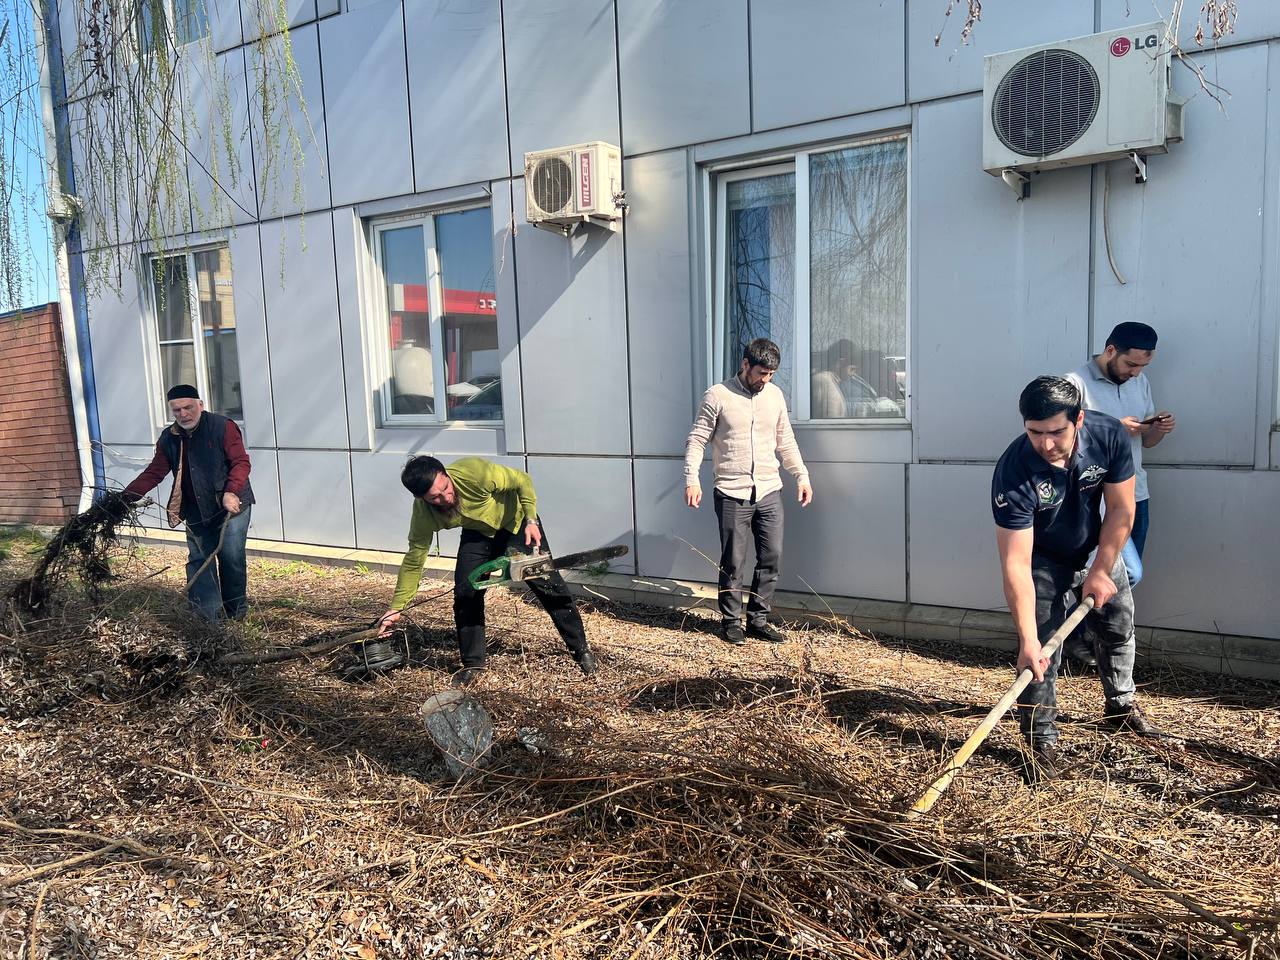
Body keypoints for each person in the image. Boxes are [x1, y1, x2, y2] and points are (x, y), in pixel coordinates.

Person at [991, 376, 1156, 782]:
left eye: (1056, 432)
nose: (1046, 444)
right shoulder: (1014, 473)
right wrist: (1027, 639)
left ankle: (1120, 705)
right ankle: (1041, 739)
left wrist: (1101, 568)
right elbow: (1015, 563)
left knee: (1118, 627)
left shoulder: (1108, 436)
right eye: (1035, 433)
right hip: (1044, 561)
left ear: (1078, 419)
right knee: (1042, 654)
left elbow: (1120, 510)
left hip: (1097, 547)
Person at [375, 456, 597, 685]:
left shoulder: (475, 472)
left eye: (446, 488)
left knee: (550, 587)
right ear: (421, 498)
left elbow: (522, 480)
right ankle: (473, 663)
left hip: (517, 523)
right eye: (435, 497)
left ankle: (580, 650)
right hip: (478, 534)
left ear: (446, 474)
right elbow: (414, 559)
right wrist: (396, 607)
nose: (446, 497)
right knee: (466, 592)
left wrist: (532, 520)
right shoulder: (423, 514)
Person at [684, 338, 813, 645]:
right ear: (745, 365)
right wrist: (692, 478)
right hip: (731, 492)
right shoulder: (717, 395)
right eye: (760, 373)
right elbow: (696, 439)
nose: (764, 380)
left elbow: (786, 441)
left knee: (772, 557)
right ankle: (730, 622)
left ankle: (758, 619)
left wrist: (802, 476)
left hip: (769, 491)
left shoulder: (775, 396)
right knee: (733, 561)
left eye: (770, 375)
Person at [124, 383, 254, 620]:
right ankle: (208, 618)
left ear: (200, 405)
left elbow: (241, 462)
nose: (183, 414)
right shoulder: (169, 437)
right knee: (199, 560)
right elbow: (155, 472)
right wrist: (124, 498)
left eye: (188, 407)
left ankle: (236, 613)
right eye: (176, 410)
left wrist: (230, 491)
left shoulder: (223, 427)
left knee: (230, 559)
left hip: (231, 505)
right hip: (196, 509)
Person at [1065, 322, 1176, 588]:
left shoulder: (1140, 382)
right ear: (1111, 350)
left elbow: (1146, 443)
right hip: (1099, 497)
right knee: (1125, 573)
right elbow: (1062, 441)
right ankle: (1077, 625)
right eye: (1131, 364)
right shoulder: (1075, 383)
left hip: (1137, 493)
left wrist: (1157, 429)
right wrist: (1115, 427)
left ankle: (1093, 629)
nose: (1136, 373)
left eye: (1143, 367)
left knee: (1118, 582)